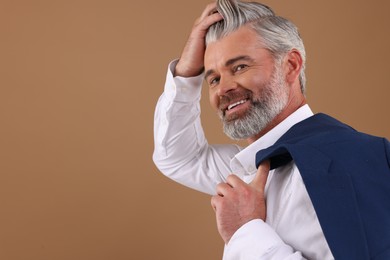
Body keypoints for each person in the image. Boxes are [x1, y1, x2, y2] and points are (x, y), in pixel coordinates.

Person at [153, 0, 390, 259]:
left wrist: (246, 230)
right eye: (214, 78)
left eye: (240, 67)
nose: (223, 89)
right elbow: (177, 157)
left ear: (290, 65)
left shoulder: (351, 161)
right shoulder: (248, 168)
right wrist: (187, 73)